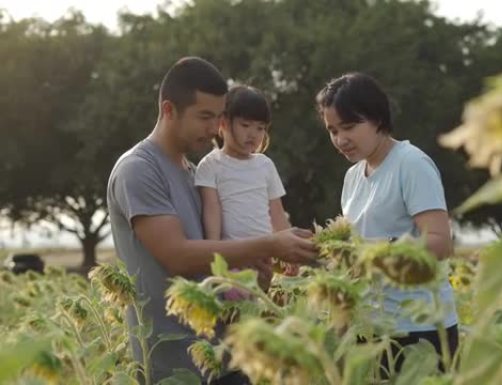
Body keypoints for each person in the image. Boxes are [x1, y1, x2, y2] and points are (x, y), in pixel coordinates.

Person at [107, 57, 316, 384]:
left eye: (218, 117)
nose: (213, 128)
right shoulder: (139, 169)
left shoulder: (197, 174)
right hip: (173, 366)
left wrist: (257, 276)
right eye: (204, 117)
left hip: (224, 357)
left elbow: (217, 258)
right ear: (168, 110)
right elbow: (177, 255)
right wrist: (270, 243)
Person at [315, 72, 459, 371]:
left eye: (349, 127)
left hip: (419, 329)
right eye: (332, 130)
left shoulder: (411, 164)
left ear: (377, 119)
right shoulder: (353, 176)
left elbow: (440, 243)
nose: (340, 140)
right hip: (369, 328)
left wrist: (376, 254)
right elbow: (353, 247)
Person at [195, 85, 294, 297]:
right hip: (232, 258)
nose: (253, 134)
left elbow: (276, 212)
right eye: (245, 125)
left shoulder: (265, 165)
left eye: (260, 128)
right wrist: (213, 254)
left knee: (281, 300)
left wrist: (290, 253)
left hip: (267, 255)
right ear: (223, 123)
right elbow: (212, 210)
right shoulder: (211, 165)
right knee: (236, 300)